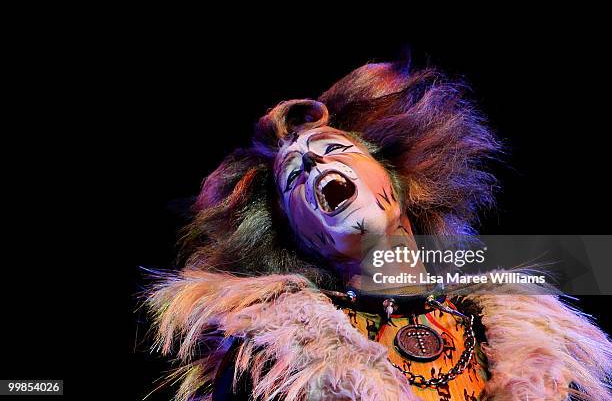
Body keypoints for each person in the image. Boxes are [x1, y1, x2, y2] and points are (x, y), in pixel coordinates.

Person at [147, 61, 611, 400]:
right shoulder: (275, 362)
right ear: (302, 238)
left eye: (334, 148)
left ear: (401, 180)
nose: (312, 163)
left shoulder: (529, 345)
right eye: (292, 180)